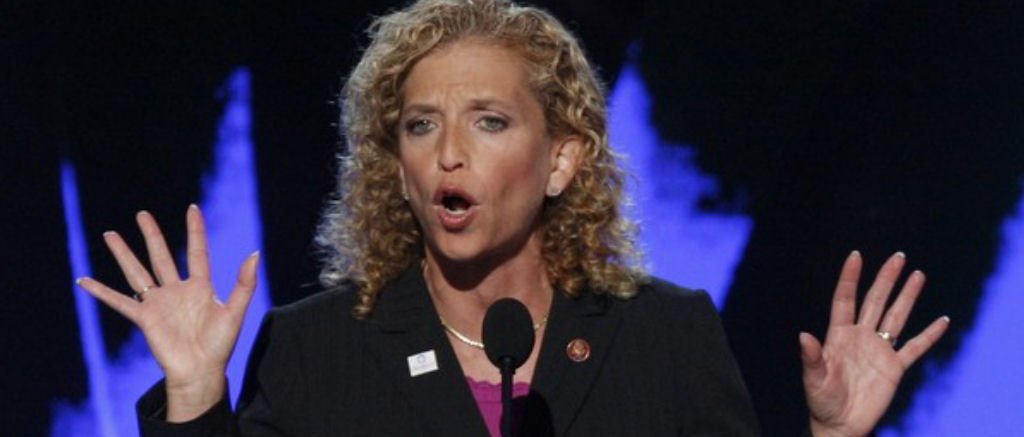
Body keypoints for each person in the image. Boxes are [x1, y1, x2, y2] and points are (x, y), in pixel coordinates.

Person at [76, 0, 949, 435]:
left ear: (561, 160)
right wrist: (196, 392)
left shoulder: (666, 336)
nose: (449, 153)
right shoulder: (319, 346)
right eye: (422, 126)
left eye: (489, 122)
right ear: (399, 169)